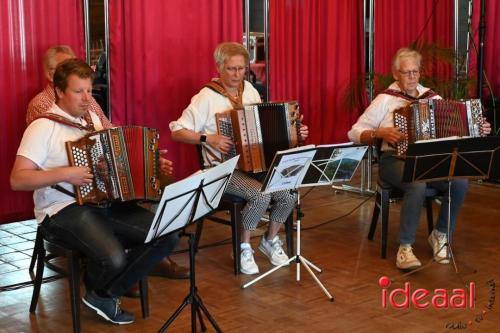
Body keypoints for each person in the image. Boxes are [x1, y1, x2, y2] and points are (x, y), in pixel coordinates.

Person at [10, 59, 181, 325]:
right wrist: (67, 173)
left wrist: (151, 162)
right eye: (79, 91)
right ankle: (105, 288)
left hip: (103, 204)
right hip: (60, 210)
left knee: (166, 233)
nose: (87, 98)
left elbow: (119, 158)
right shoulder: (43, 127)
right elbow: (18, 179)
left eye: (89, 91)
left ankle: (103, 294)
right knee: (112, 257)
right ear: (59, 91)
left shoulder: (92, 122)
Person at [170, 42, 309, 275]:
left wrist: (296, 130)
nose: (237, 75)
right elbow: (177, 131)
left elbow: (267, 126)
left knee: (288, 192)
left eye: (242, 69)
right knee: (259, 194)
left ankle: (268, 240)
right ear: (219, 68)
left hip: (254, 165)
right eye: (232, 69)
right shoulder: (206, 96)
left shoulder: (251, 91)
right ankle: (243, 247)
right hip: (222, 169)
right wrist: (209, 138)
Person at [347, 48, 491, 270]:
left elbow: (457, 127)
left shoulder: (431, 97)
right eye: (407, 73)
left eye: (415, 72)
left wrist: (479, 128)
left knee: (460, 182)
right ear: (396, 74)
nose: (412, 77)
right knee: (417, 182)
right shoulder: (385, 100)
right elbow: (354, 132)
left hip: (431, 162)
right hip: (393, 160)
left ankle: (440, 234)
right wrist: (380, 133)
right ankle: (405, 247)